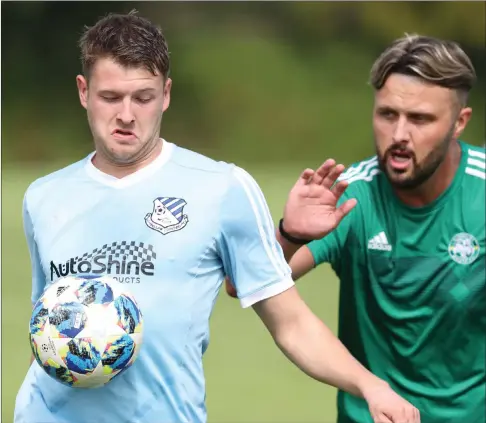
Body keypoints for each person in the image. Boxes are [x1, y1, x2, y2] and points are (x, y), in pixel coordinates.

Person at [13, 11, 420, 423]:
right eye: (111, 97)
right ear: (84, 92)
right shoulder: (44, 197)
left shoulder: (221, 188)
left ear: (166, 94)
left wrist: (371, 386)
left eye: (143, 97)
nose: (126, 115)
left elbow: (291, 323)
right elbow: (48, 327)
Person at [224, 33, 486, 423]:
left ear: (458, 122)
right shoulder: (353, 198)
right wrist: (290, 235)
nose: (399, 135)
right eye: (387, 114)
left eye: (420, 119)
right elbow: (243, 283)